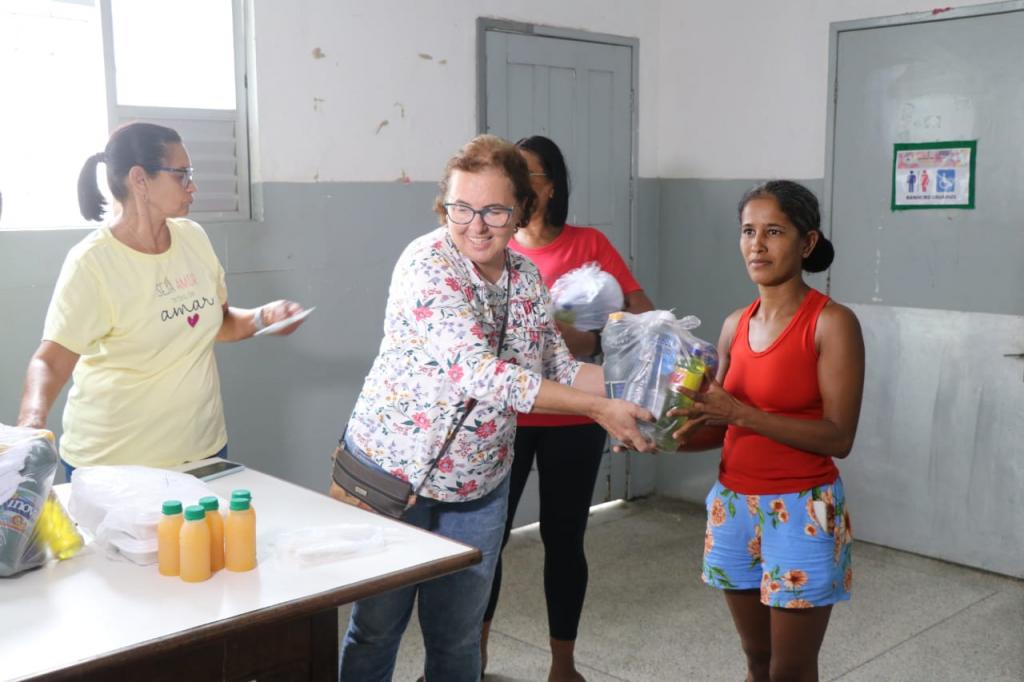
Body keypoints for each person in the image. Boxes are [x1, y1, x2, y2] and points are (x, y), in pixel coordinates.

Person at [333, 134, 656, 682]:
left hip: (478, 485)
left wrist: (646, 393)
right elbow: (479, 372)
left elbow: (557, 364)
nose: (477, 225)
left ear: (521, 209)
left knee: (457, 635)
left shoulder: (525, 277)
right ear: (444, 206)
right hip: (394, 478)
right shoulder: (427, 264)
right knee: (378, 628)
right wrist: (598, 410)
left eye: (495, 211)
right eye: (461, 208)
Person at [16, 122, 305, 477]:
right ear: (140, 179)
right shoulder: (93, 263)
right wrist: (31, 422)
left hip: (202, 450)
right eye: (182, 175)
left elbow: (216, 323)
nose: (192, 186)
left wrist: (264, 317)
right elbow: (50, 361)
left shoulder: (193, 238)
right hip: (115, 464)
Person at [669, 180, 864, 681]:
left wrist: (739, 414)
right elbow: (718, 425)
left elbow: (839, 437)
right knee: (756, 658)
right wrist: (662, 437)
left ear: (807, 242)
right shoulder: (735, 324)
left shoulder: (832, 323)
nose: (757, 245)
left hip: (802, 509)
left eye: (774, 232)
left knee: (790, 668)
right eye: (748, 231)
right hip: (733, 506)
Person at [482, 135, 654, 682]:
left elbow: (641, 317)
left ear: (551, 186)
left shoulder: (589, 245)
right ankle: (471, 661)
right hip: (507, 419)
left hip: (577, 416)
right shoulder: (492, 247)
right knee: (488, 541)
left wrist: (595, 335)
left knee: (563, 540)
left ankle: (564, 666)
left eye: (527, 174)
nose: (516, 183)